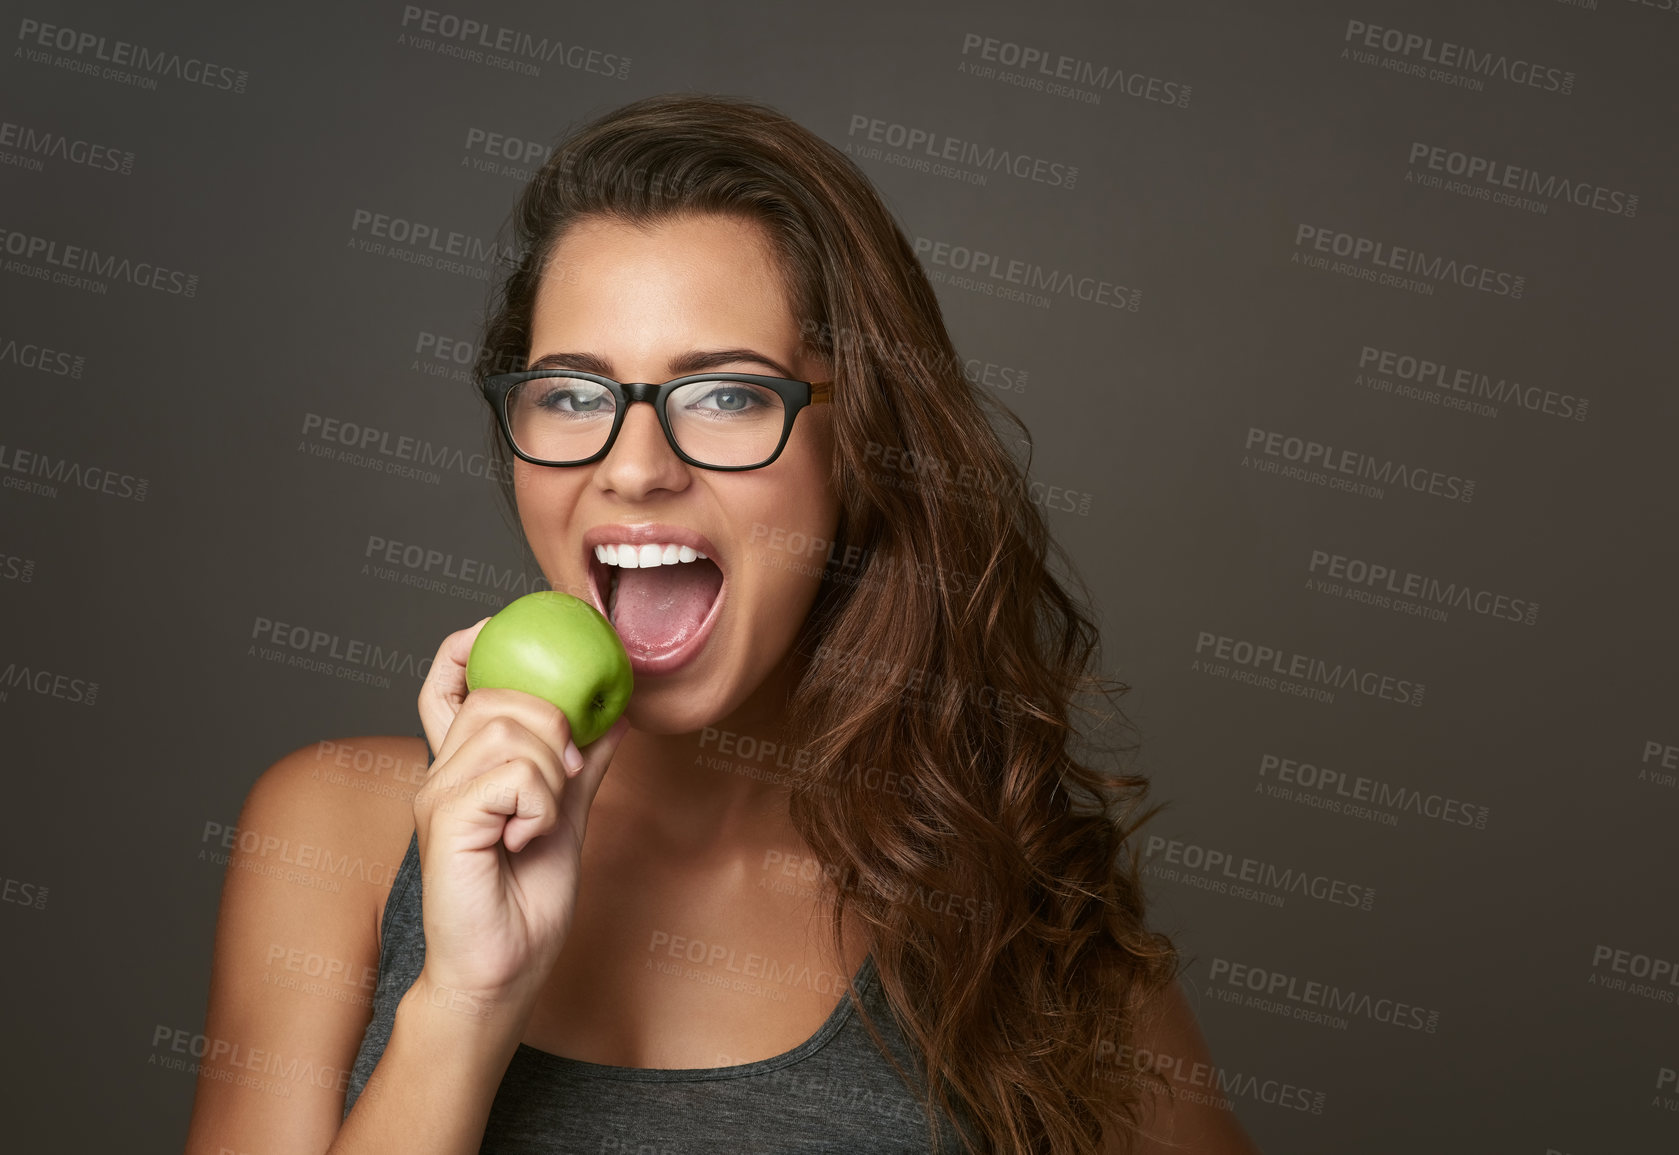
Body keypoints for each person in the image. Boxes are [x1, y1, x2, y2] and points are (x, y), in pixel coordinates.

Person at [184, 92, 1262, 1155]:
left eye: (728, 397)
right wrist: (465, 1003)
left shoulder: (1010, 905)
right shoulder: (334, 833)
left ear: (864, 447)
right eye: (569, 395)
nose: (635, 468)